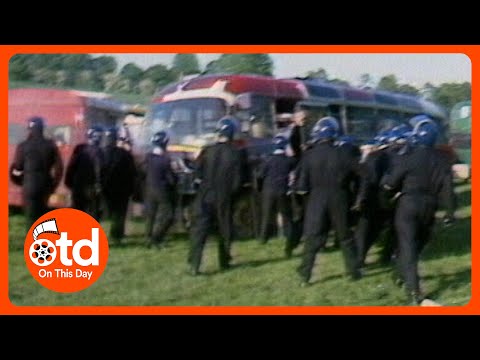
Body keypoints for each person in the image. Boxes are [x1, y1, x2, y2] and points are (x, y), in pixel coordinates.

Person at [380, 117, 456, 305]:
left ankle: (413, 292)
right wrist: (449, 213)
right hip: (429, 206)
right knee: (419, 244)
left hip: (408, 204)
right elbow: (447, 189)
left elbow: (390, 183)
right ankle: (401, 274)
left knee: (408, 247)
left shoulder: (409, 157)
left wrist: (387, 191)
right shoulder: (443, 160)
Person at [294, 116, 362, 286]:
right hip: (340, 197)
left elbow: (301, 185)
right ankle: (353, 271)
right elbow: (363, 173)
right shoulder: (343, 153)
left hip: (316, 200)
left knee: (313, 238)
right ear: (335, 134)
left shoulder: (309, 155)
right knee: (345, 236)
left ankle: (305, 274)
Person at [188, 116, 245, 275]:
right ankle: (224, 261)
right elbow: (238, 181)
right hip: (224, 196)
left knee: (200, 230)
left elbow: (197, 173)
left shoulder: (207, 150)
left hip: (205, 195)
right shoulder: (236, 153)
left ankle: (194, 263)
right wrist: (232, 193)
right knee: (225, 229)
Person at [9, 116, 64, 231]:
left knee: (31, 217)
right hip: (45, 184)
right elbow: (59, 168)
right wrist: (53, 185)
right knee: (43, 217)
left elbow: (17, 168)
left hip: (29, 184)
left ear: (29, 129)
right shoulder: (51, 145)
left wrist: (19, 182)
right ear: (42, 129)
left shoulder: (23, 146)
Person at [256, 135, 298, 257]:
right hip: (282, 191)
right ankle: (289, 237)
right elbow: (296, 166)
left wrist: (260, 188)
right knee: (287, 216)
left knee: (266, 215)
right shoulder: (288, 160)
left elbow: (259, 175)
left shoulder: (267, 160)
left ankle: (263, 237)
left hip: (268, 191)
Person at [101, 126, 137, 245]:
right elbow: (132, 172)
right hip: (122, 189)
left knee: (99, 213)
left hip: (105, 188)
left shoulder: (99, 153)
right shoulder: (124, 154)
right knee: (119, 213)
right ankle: (117, 235)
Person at [142, 130, 177, 249]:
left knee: (151, 216)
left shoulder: (148, 157)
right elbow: (171, 179)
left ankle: (148, 238)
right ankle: (157, 238)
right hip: (162, 191)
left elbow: (143, 171)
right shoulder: (165, 160)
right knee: (168, 215)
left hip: (149, 189)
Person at [64, 125, 105, 221]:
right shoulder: (100, 152)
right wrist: (99, 185)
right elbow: (99, 170)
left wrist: (68, 181)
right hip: (91, 187)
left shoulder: (79, 148)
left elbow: (71, 166)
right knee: (92, 213)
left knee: (77, 211)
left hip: (78, 185)